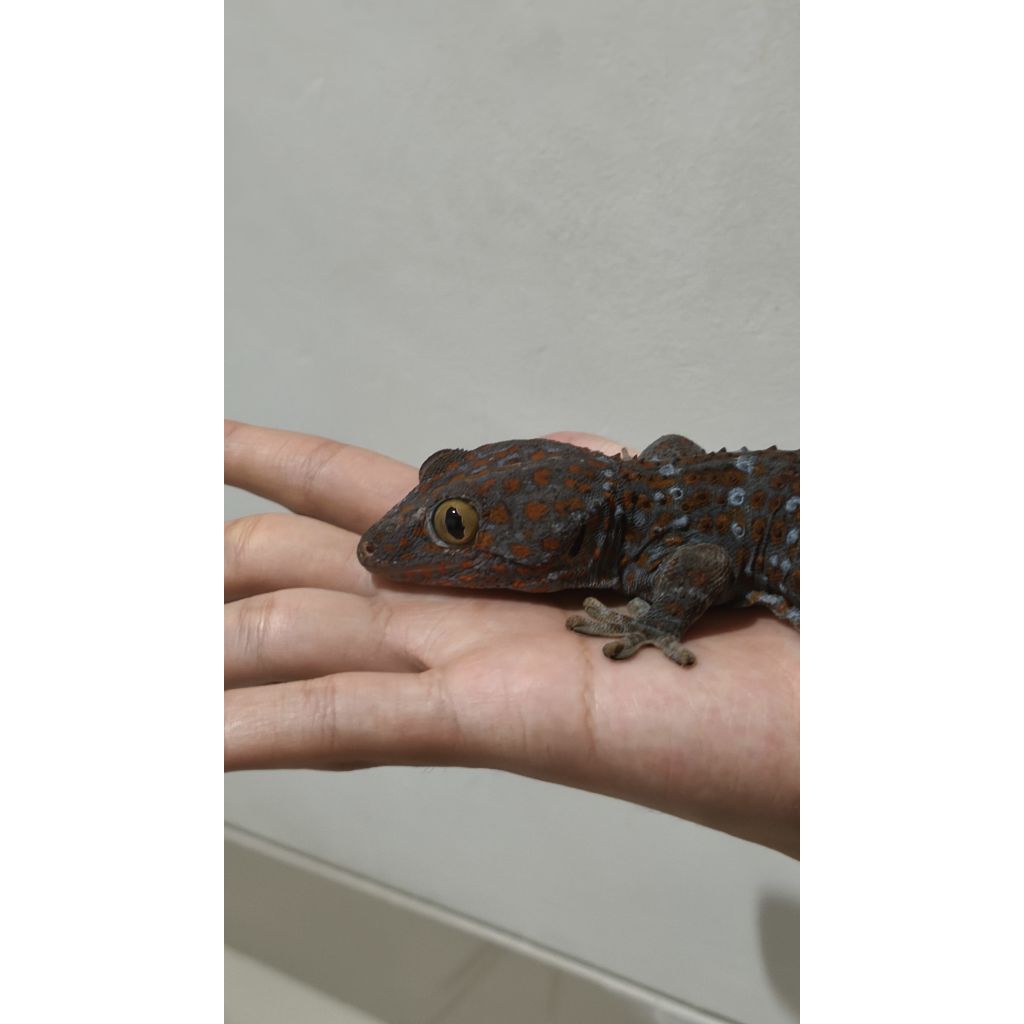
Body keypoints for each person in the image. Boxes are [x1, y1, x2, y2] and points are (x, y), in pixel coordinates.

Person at [225, 421, 799, 858]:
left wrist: (656, 621)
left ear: (573, 538)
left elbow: (705, 560)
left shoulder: (655, 546)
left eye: (456, 527)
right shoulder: (646, 501)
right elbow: (674, 454)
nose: (384, 547)